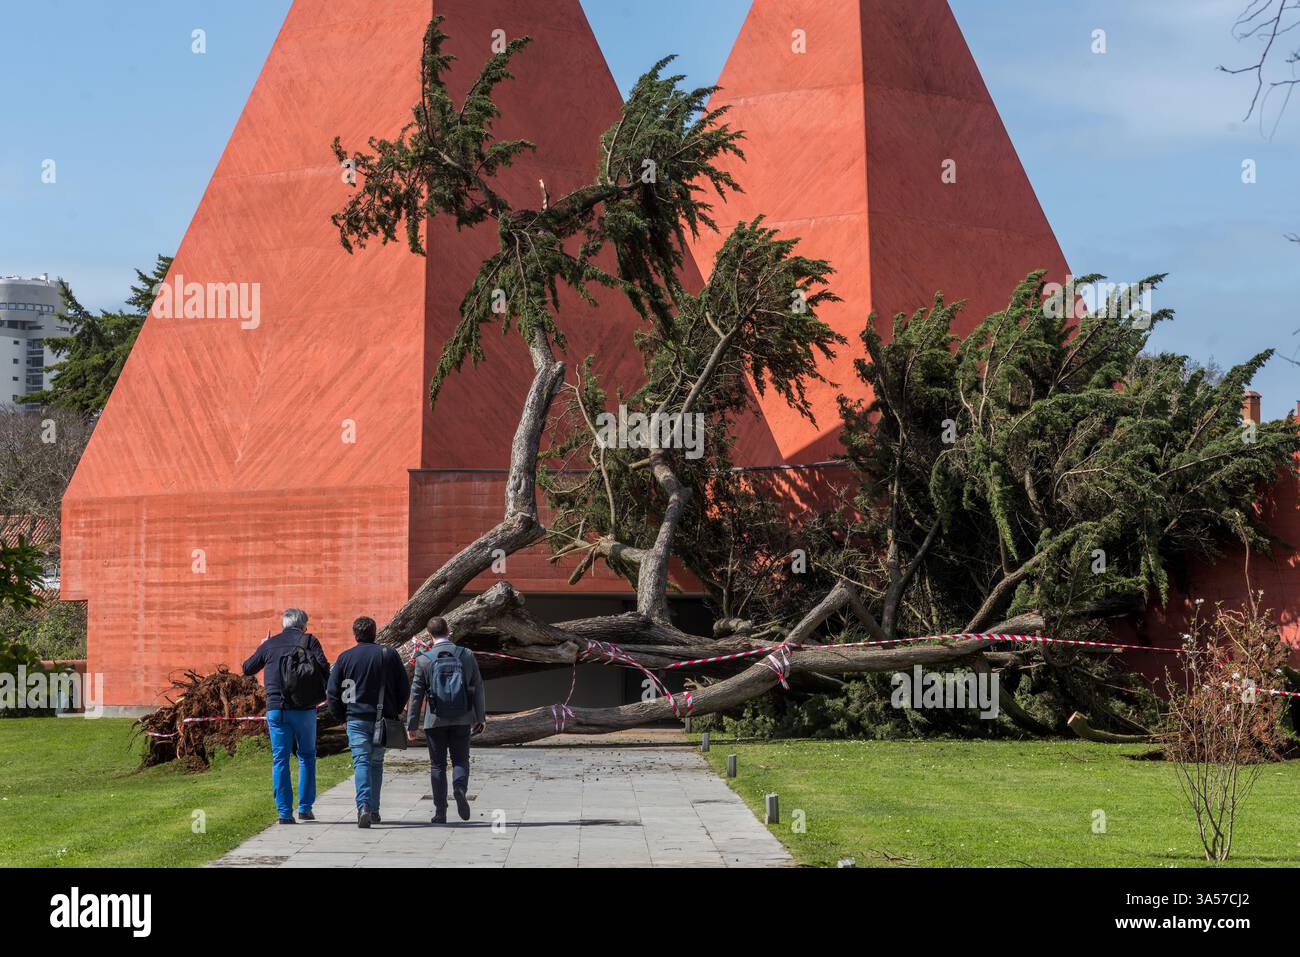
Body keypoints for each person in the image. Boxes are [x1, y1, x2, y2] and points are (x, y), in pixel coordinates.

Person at [242, 608, 330, 824]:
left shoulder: (270, 644)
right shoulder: (310, 641)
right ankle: (305, 808)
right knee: (307, 756)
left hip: (277, 709)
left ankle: (284, 813)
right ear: (304, 626)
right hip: (305, 709)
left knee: (280, 759)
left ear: (283, 624)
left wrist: (262, 645)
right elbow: (325, 669)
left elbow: (247, 668)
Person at [326, 616, 411, 828]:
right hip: (382, 719)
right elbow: (404, 687)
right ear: (375, 633)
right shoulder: (388, 654)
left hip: (354, 718)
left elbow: (332, 692)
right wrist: (395, 710)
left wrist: (341, 717)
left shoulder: (345, 658)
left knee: (361, 762)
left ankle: (362, 805)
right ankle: (374, 810)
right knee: (376, 763)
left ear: (355, 635)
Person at [406, 616, 486, 823]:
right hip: (462, 718)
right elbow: (478, 687)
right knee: (461, 759)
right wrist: (480, 717)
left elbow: (416, 694)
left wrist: (412, 724)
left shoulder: (424, 659)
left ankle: (440, 812)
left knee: (437, 765)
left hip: (434, 720)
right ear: (449, 631)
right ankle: (459, 788)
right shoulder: (466, 655)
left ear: (429, 635)